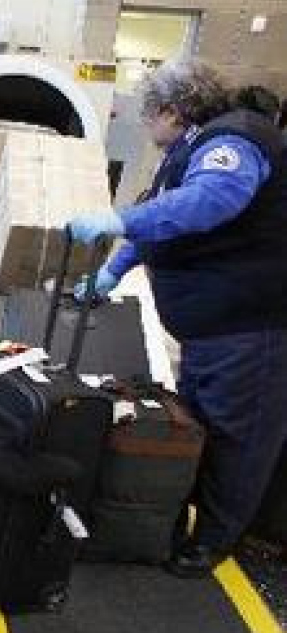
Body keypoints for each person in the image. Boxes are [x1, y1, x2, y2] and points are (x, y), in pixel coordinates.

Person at [67, 59, 287, 577]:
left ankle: (213, 541)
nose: (151, 137)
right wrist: (112, 271)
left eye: (150, 123)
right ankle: (196, 519)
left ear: (171, 110)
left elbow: (209, 203)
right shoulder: (193, 147)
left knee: (239, 438)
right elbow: (163, 221)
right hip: (217, 332)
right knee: (208, 422)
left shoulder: (232, 143)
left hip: (252, 328)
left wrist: (117, 219)